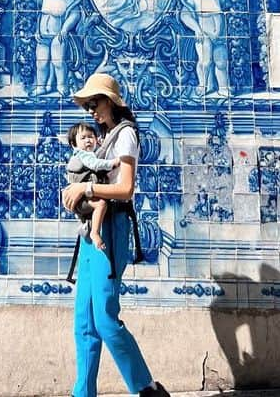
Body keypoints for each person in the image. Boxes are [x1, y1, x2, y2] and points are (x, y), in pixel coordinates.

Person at [60, 72, 170, 397]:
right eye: (89, 105)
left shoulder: (126, 136)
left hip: (111, 231)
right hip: (90, 235)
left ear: (111, 102)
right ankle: (83, 394)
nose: (92, 110)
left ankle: (147, 388)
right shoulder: (104, 139)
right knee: (85, 322)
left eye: (96, 103)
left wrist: (86, 187)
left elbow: (125, 188)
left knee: (106, 319)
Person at [65, 121, 118, 254]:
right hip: (81, 198)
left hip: (82, 198)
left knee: (95, 210)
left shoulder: (85, 154)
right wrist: (113, 163)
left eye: (91, 137)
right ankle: (94, 233)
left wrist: (100, 145)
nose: (88, 140)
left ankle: (87, 228)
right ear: (74, 144)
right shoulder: (83, 155)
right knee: (101, 205)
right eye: (83, 138)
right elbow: (95, 164)